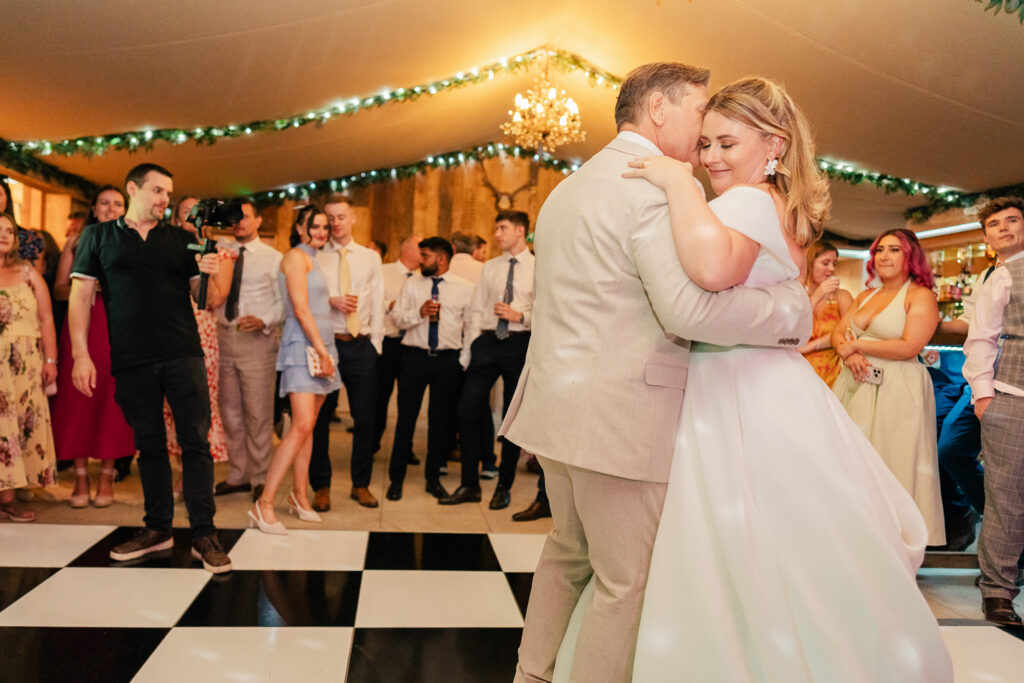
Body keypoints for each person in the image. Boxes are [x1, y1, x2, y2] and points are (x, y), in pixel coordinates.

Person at [610, 76, 952, 682]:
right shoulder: (774, 202)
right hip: (768, 383)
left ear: (773, 145)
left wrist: (673, 182)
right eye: (705, 144)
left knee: (743, 539)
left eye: (726, 144)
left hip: (742, 389)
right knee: (784, 541)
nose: (710, 157)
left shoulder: (744, 200)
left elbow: (712, 269)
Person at [499, 62, 814, 683]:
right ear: (661, 110)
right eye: (701, 114)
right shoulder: (654, 188)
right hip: (619, 416)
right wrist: (789, 312)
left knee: (568, 552)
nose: (706, 134)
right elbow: (688, 309)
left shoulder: (572, 184)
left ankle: (531, 674)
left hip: (556, 410)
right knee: (627, 581)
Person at [69, 163, 231, 574]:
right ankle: (157, 529)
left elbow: (203, 299)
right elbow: (80, 296)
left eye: (168, 194)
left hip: (182, 353)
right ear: (133, 189)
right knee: (150, 445)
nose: (164, 200)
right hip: (132, 357)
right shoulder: (98, 236)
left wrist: (211, 270)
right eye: (157, 191)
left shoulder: (182, 239)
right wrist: (81, 355)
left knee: (195, 442)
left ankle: (204, 534)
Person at [832, 228, 945, 545]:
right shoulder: (864, 296)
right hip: (854, 384)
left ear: (911, 257)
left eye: (894, 250)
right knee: (850, 463)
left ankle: (898, 547)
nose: (884, 256)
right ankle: (854, 542)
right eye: (880, 250)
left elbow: (910, 346)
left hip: (898, 387)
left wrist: (858, 348)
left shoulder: (921, 296)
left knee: (893, 464)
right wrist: (846, 350)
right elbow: (839, 334)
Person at [250, 209, 339, 534]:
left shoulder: (314, 259)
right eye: (314, 225)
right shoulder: (295, 257)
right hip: (304, 348)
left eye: (325, 226)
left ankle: (299, 496)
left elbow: (314, 305)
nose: (320, 231)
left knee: (309, 427)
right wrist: (320, 350)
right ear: (300, 227)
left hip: (322, 346)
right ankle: (265, 503)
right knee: (300, 426)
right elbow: (300, 308)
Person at [443, 211, 534, 510]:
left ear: (520, 231)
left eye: (503, 228)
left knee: (510, 418)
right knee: (466, 411)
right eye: (496, 228)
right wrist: (469, 351)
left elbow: (548, 310)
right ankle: (469, 484)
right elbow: (475, 309)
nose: (497, 234)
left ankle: (503, 486)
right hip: (486, 342)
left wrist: (521, 316)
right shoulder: (491, 267)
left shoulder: (538, 266)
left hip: (520, 343)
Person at [50, 185, 135, 507]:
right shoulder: (78, 241)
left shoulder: (133, 244)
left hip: (119, 327)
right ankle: (81, 477)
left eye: (117, 204)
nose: (111, 209)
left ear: (125, 209)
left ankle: (107, 477)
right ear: (95, 209)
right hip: (82, 325)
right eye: (104, 203)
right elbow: (59, 290)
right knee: (79, 398)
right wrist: (82, 286)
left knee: (113, 401)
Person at [963, 196, 1024, 627]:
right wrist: (984, 398)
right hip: (1012, 396)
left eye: (1014, 220)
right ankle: (998, 591)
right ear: (987, 236)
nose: (1005, 228)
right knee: (1006, 500)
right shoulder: (1001, 278)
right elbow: (981, 338)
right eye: (997, 223)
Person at [309, 195, 385, 510]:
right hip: (327, 344)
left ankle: (361, 484)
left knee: (365, 418)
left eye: (341, 217)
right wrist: (331, 301)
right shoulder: (313, 257)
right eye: (330, 218)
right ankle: (321, 486)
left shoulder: (370, 257)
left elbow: (378, 300)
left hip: (361, 344)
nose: (336, 223)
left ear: (352, 218)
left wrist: (376, 345)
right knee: (320, 419)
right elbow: (305, 301)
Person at [386, 237, 473, 502]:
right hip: (413, 357)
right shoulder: (412, 284)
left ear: (442, 259)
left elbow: (471, 326)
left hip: (448, 360)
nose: (419, 260)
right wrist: (419, 312)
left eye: (425, 256)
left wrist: (463, 360)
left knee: (440, 423)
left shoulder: (465, 288)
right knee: (405, 420)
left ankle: (433, 479)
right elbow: (396, 318)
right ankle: (396, 480)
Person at [211, 200, 283, 503]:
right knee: (230, 412)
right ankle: (238, 475)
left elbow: (284, 301)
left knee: (258, 413)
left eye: (245, 217)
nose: (239, 222)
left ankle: (260, 477)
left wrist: (265, 319)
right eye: (234, 218)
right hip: (223, 337)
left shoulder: (274, 258)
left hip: (257, 341)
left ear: (258, 221)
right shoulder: (219, 249)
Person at [164, 195, 232, 500]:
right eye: (185, 213)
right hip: (170, 331)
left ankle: (196, 475)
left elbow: (216, 299)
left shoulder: (221, 251)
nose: (193, 218)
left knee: (201, 405)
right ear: (177, 219)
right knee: (171, 406)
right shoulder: (167, 248)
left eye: (198, 213)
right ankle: (178, 472)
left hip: (203, 334)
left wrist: (207, 265)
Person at [0, 213, 57, 522]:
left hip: (24, 362)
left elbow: (46, 318)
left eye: (9, 230)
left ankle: (9, 499)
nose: (5, 235)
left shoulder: (26, 272)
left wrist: (51, 360)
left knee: (19, 424)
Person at [374, 233, 421, 456]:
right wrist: (392, 305)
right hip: (388, 342)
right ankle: (372, 442)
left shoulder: (424, 278)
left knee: (409, 401)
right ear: (408, 249)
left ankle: (405, 449)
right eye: (422, 246)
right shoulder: (384, 272)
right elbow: (371, 301)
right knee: (379, 396)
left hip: (412, 344)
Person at [798, 240, 852, 386]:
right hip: (798, 369)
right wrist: (817, 296)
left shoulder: (842, 297)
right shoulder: (797, 295)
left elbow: (849, 331)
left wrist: (809, 346)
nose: (831, 269)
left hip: (832, 371)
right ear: (810, 263)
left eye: (834, 264)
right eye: (825, 263)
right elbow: (792, 324)